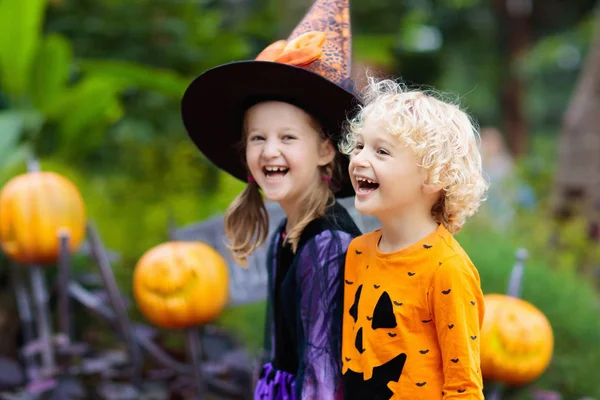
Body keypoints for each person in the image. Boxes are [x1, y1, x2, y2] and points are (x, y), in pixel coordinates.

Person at [180, 0, 362, 398]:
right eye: (258, 138)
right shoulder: (288, 232)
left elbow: (323, 378)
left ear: (326, 151)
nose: (269, 151)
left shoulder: (328, 245)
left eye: (288, 137)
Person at [339, 77, 488, 399]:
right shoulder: (358, 252)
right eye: (360, 146)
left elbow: (464, 386)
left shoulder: (447, 269)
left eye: (381, 151)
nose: (360, 159)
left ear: (434, 176)